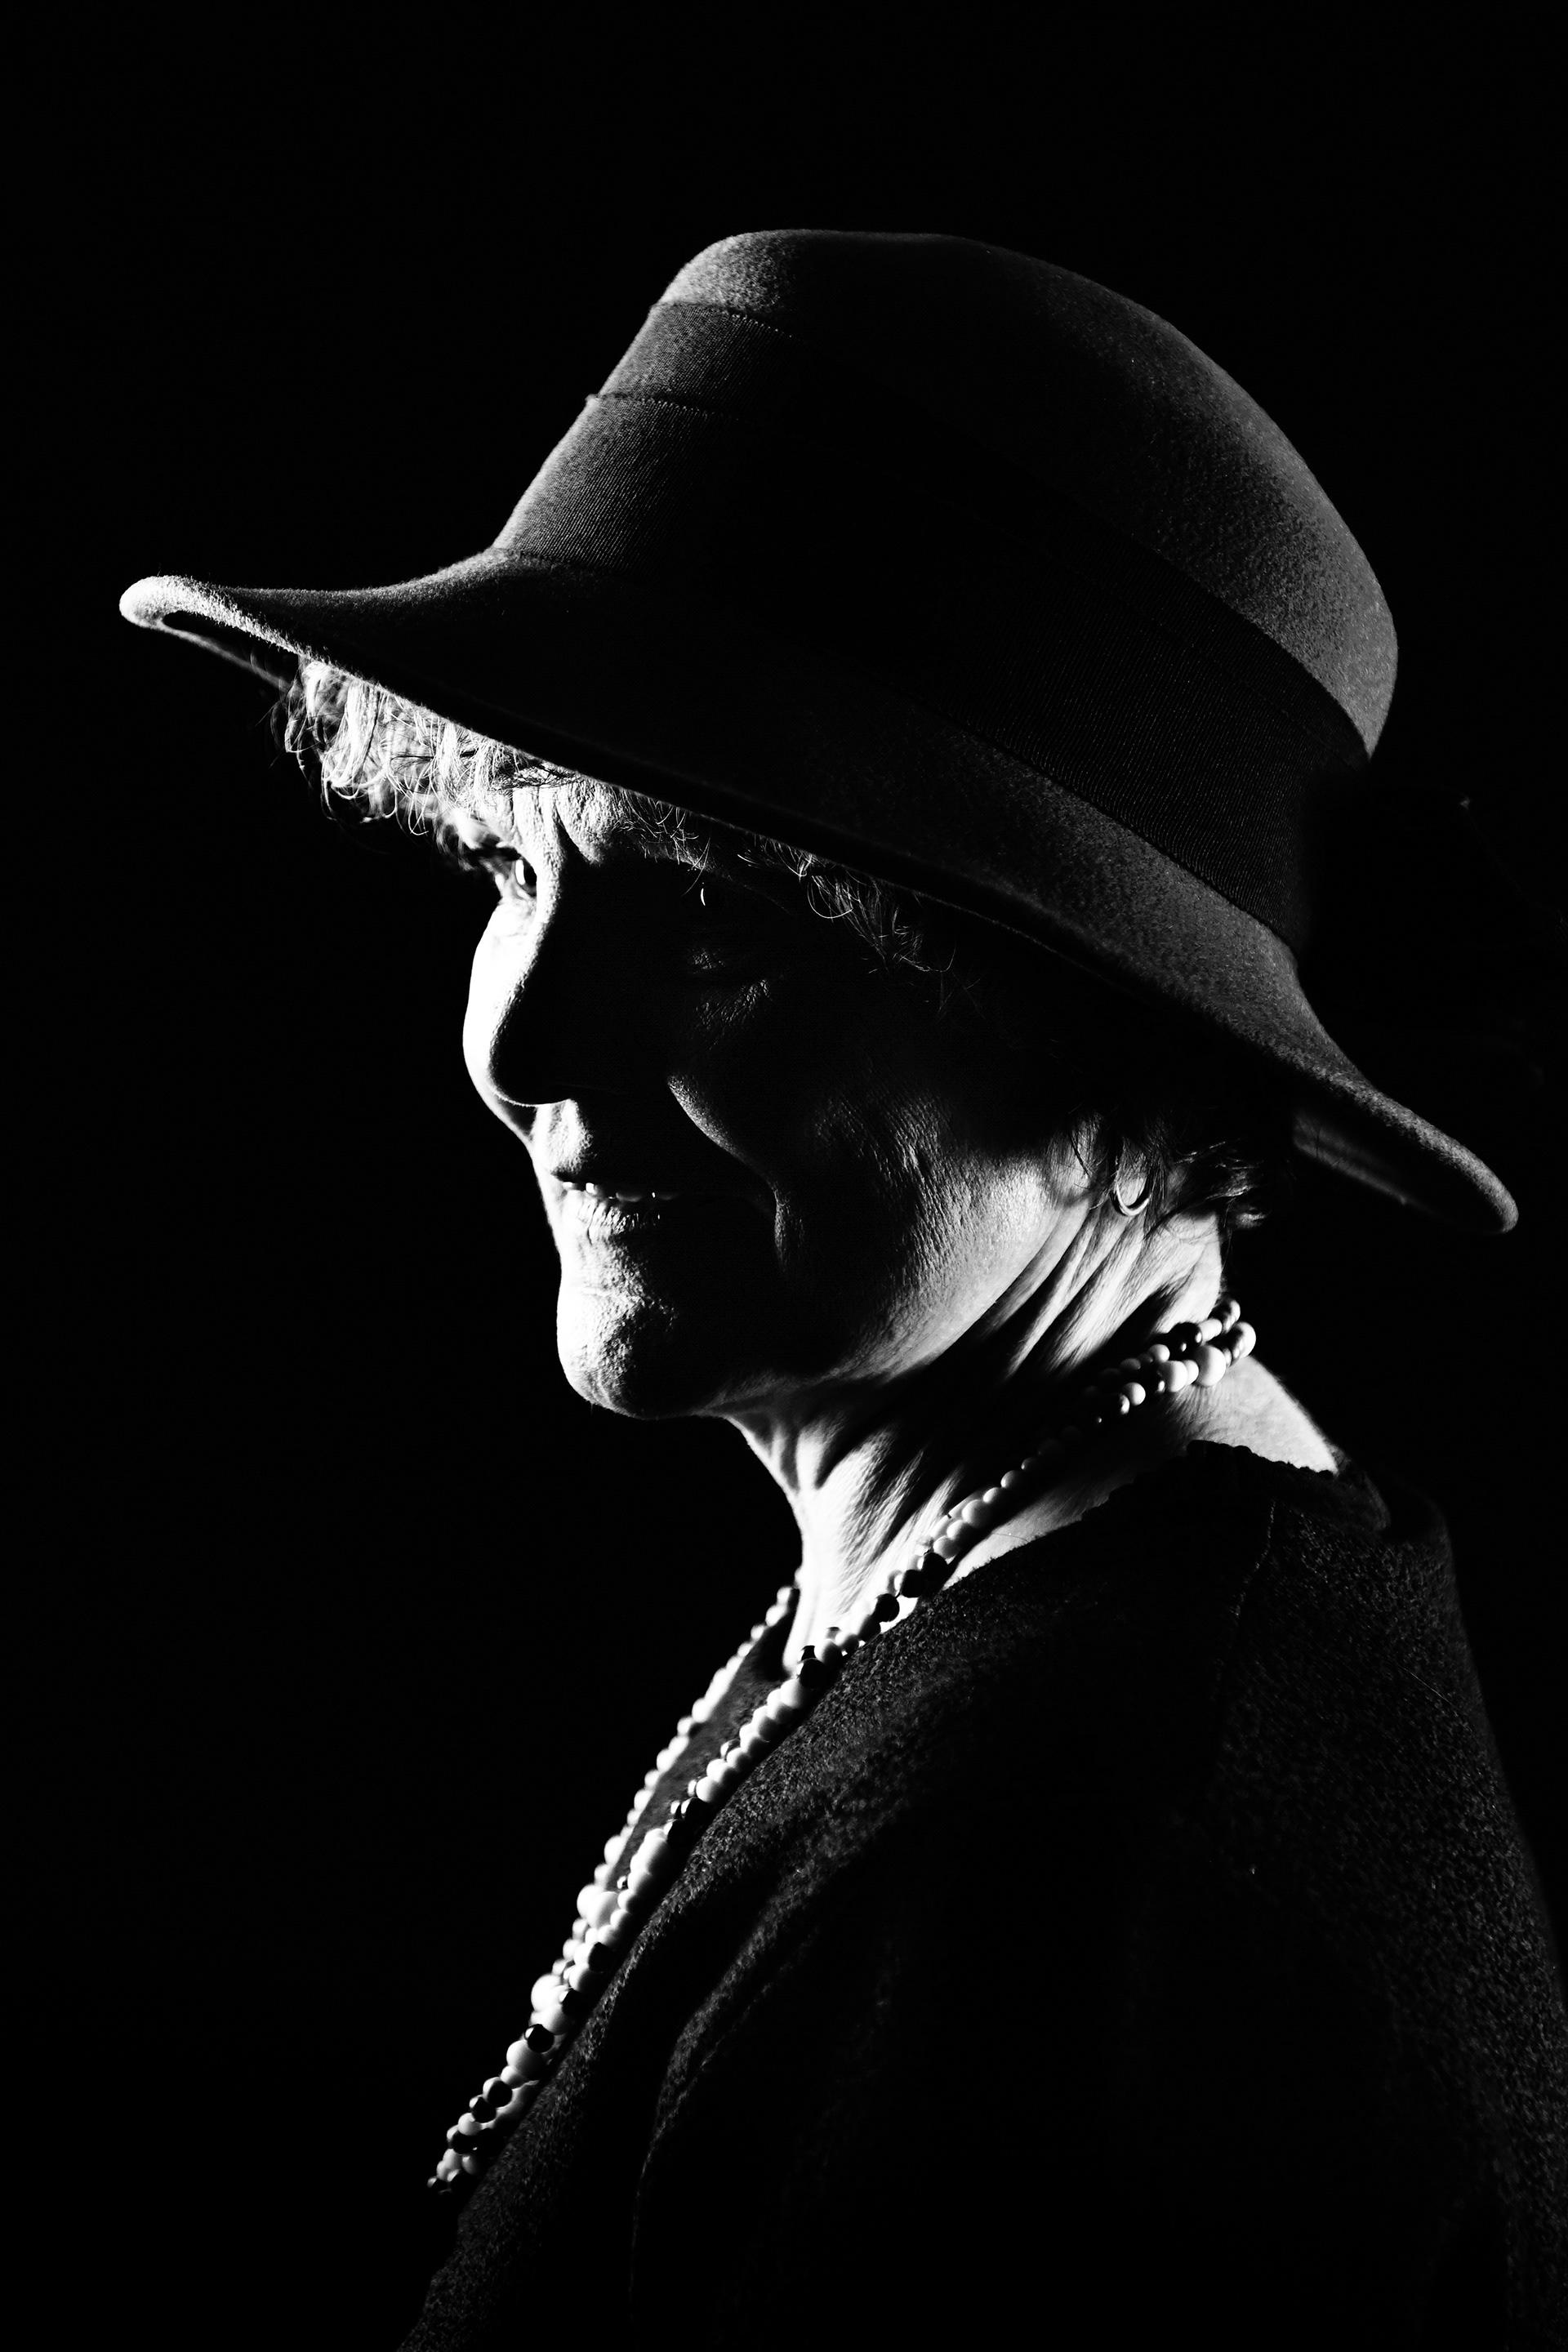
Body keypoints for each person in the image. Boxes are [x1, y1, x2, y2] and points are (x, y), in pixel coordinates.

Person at [121, 230, 1566, 2348]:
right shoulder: (1011, 1640)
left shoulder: (1099, 1900)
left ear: (1127, 1044)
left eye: (714, 912)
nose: (520, 1044)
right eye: (514, 864)